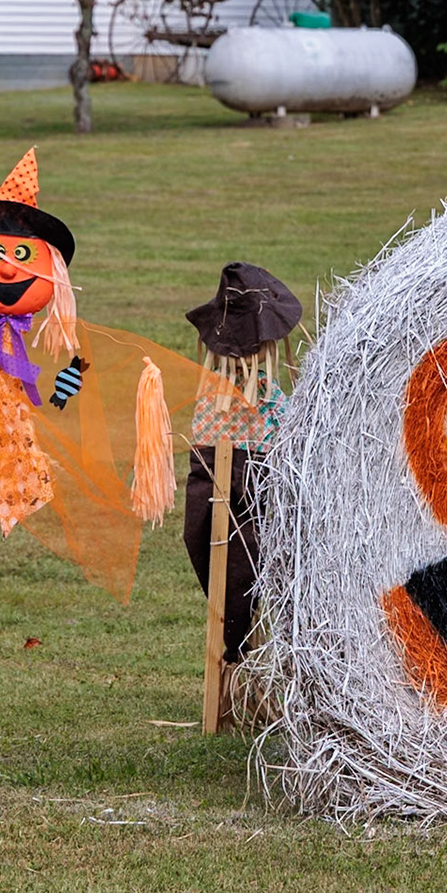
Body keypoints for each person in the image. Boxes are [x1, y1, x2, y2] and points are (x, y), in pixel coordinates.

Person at [182, 263, 301, 677]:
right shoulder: (255, 399)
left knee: (239, 563)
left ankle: (236, 643)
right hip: (232, 479)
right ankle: (239, 643)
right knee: (233, 560)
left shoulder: (224, 399)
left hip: (240, 480)